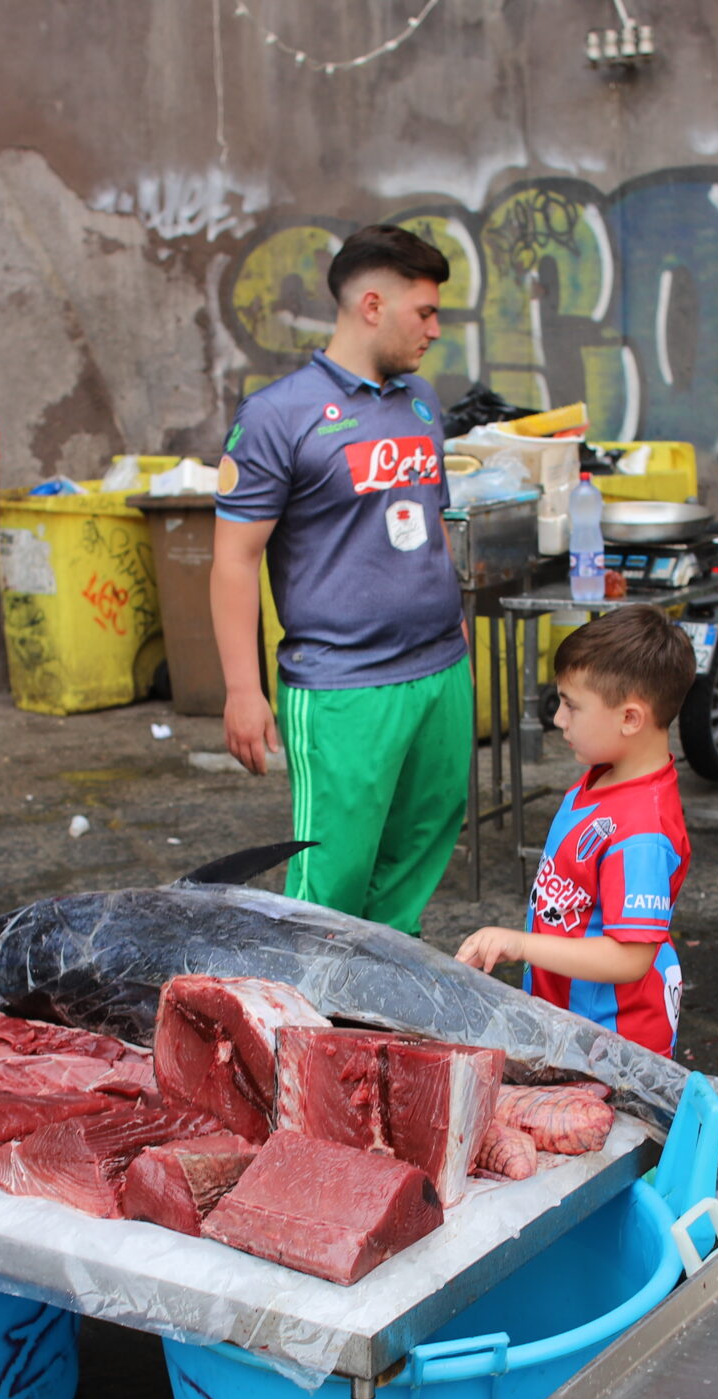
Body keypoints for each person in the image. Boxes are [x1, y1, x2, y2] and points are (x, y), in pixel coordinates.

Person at [212, 224, 470, 935]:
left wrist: (452, 620)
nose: (435, 328)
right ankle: (305, 1031)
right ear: (372, 305)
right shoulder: (276, 415)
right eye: (424, 312)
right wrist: (243, 689)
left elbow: (431, 514)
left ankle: (380, 1024)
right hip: (342, 686)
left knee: (415, 860)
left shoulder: (420, 401)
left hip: (439, 671)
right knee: (330, 887)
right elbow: (234, 558)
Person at [455, 607, 697, 1056]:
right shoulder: (603, 776)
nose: (559, 720)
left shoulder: (640, 831)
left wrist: (519, 943)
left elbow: (630, 957)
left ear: (629, 718)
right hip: (567, 1028)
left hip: (612, 1048)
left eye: (572, 705)